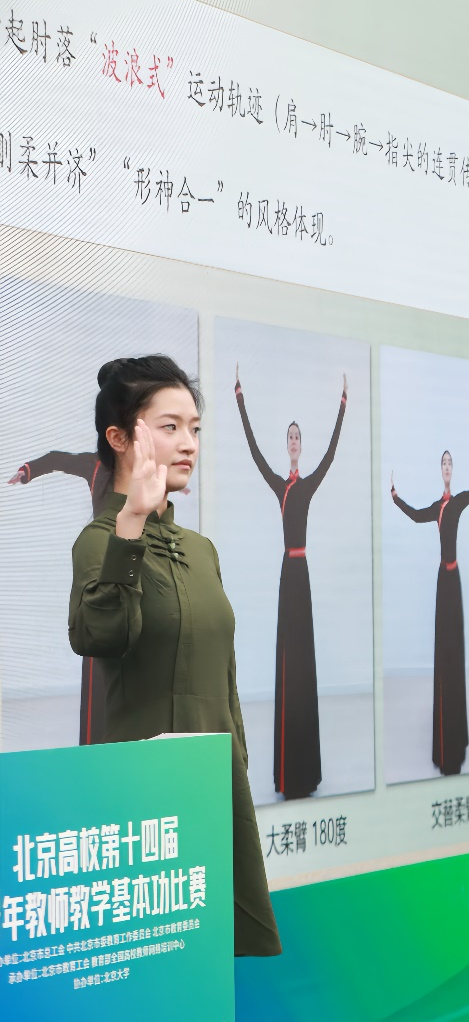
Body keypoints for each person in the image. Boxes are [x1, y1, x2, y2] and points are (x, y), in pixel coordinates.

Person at [68, 355, 281, 956]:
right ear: (119, 438)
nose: (189, 443)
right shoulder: (99, 541)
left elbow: (225, 680)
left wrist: (236, 766)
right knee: (157, 968)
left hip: (214, 783)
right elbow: (99, 634)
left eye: (195, 428)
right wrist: (132, 520)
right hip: (145, 798)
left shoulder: (201, 549)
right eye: (170, 427)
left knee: (212, 965)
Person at [235, 365, 348, 800]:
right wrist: (241, 399)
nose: (295, 441)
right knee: (288, 664)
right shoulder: (280, 485)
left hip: (303, 574)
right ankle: (288, 774)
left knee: (305, 665)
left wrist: (342, 405)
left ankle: (306, 772)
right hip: (288, 575)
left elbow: (333, 454)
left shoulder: (309, 483)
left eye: (299, 436)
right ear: (286, 445)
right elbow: (252, 451)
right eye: (291, 437)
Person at [390, 451, 469, 775]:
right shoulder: (437, 508)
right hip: (443, 581)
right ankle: (445, 746)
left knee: (456, 652)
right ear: (439, 471)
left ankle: (457, 738)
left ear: (453, 470)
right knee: (445, 653)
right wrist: (395, 498)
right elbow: (415, 515)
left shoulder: (457, 502)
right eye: (443, 464)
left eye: (450, 463)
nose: (447, 468)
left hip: (455, 581)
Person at [11, 449, 113, 745]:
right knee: (98, 662)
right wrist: (28, 470)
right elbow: (58, 458)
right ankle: (94, 751)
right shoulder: (95, 464)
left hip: (135, 567)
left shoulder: (143, 463)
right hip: (102, 569)